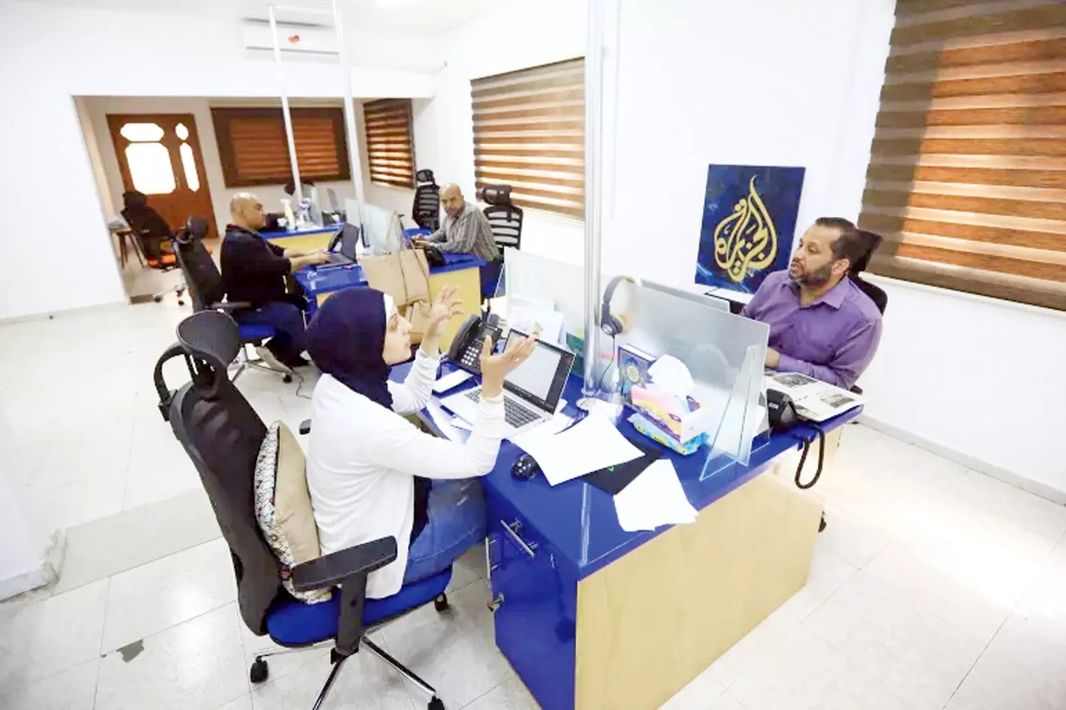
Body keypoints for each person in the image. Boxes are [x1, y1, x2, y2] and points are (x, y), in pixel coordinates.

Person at [305, 285, 536, 599]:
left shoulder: (339, 383)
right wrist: (493, 386)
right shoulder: (369, 424)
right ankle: (517, 593)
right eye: (393, 325)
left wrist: (431, 336)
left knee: (467, 482)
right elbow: (478, 461)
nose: (407, 326)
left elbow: (414, 397)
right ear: (363, 343)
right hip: (380, 560)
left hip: (365, 523)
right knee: (495, 505)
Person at [742, 217, 882, 390]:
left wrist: (778, 361)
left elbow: (840, 381)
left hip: (799, 397)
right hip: (745, 380)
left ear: (839, 266)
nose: (798, 255)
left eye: (812, 250)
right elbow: (742, 325)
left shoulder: (864, 318)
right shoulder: (775, 282)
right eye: (800, 245)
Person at [221, 192, 331, 372]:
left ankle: (286, 353)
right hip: (250, 307)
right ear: (242, 212)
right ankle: (277, 351)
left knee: (301, 302)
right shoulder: (240, 243)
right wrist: (310, 260)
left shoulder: (248, 236)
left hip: (261, 299)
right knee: (292, 314)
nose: (263, 213)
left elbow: (280, 252)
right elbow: (278, 266)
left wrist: (309, 253)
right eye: (258, 209)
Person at [413, 184, 501, 262]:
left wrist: (431, 246)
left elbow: (462, 246)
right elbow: (442, 233)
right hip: (468, 262)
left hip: (487, 264)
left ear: (462, 198)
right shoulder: (451, 212)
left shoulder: (471, 213)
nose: (448, 205)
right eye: (444, 201)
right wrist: (425, 239)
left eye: (453, 199)